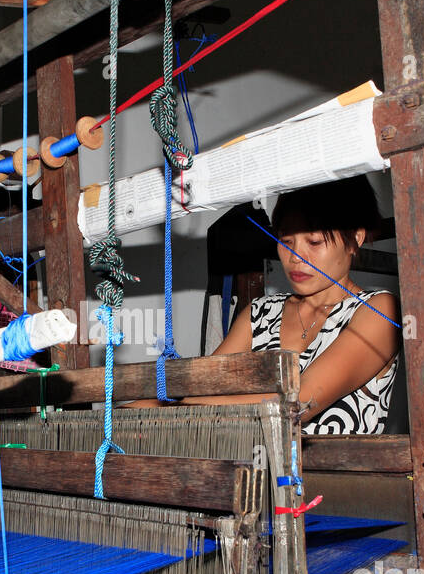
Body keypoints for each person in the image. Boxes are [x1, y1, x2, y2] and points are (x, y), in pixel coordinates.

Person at [129, 177, 402, 433]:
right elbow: (201, 387)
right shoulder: (260, 315)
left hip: (339, 481)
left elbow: (298, 403)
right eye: (286, 241)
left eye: (314, 241)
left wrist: (180, 406)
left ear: (356, 238)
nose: (296, 256)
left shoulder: (379, 312)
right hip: (257, 479)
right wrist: (123, 413)